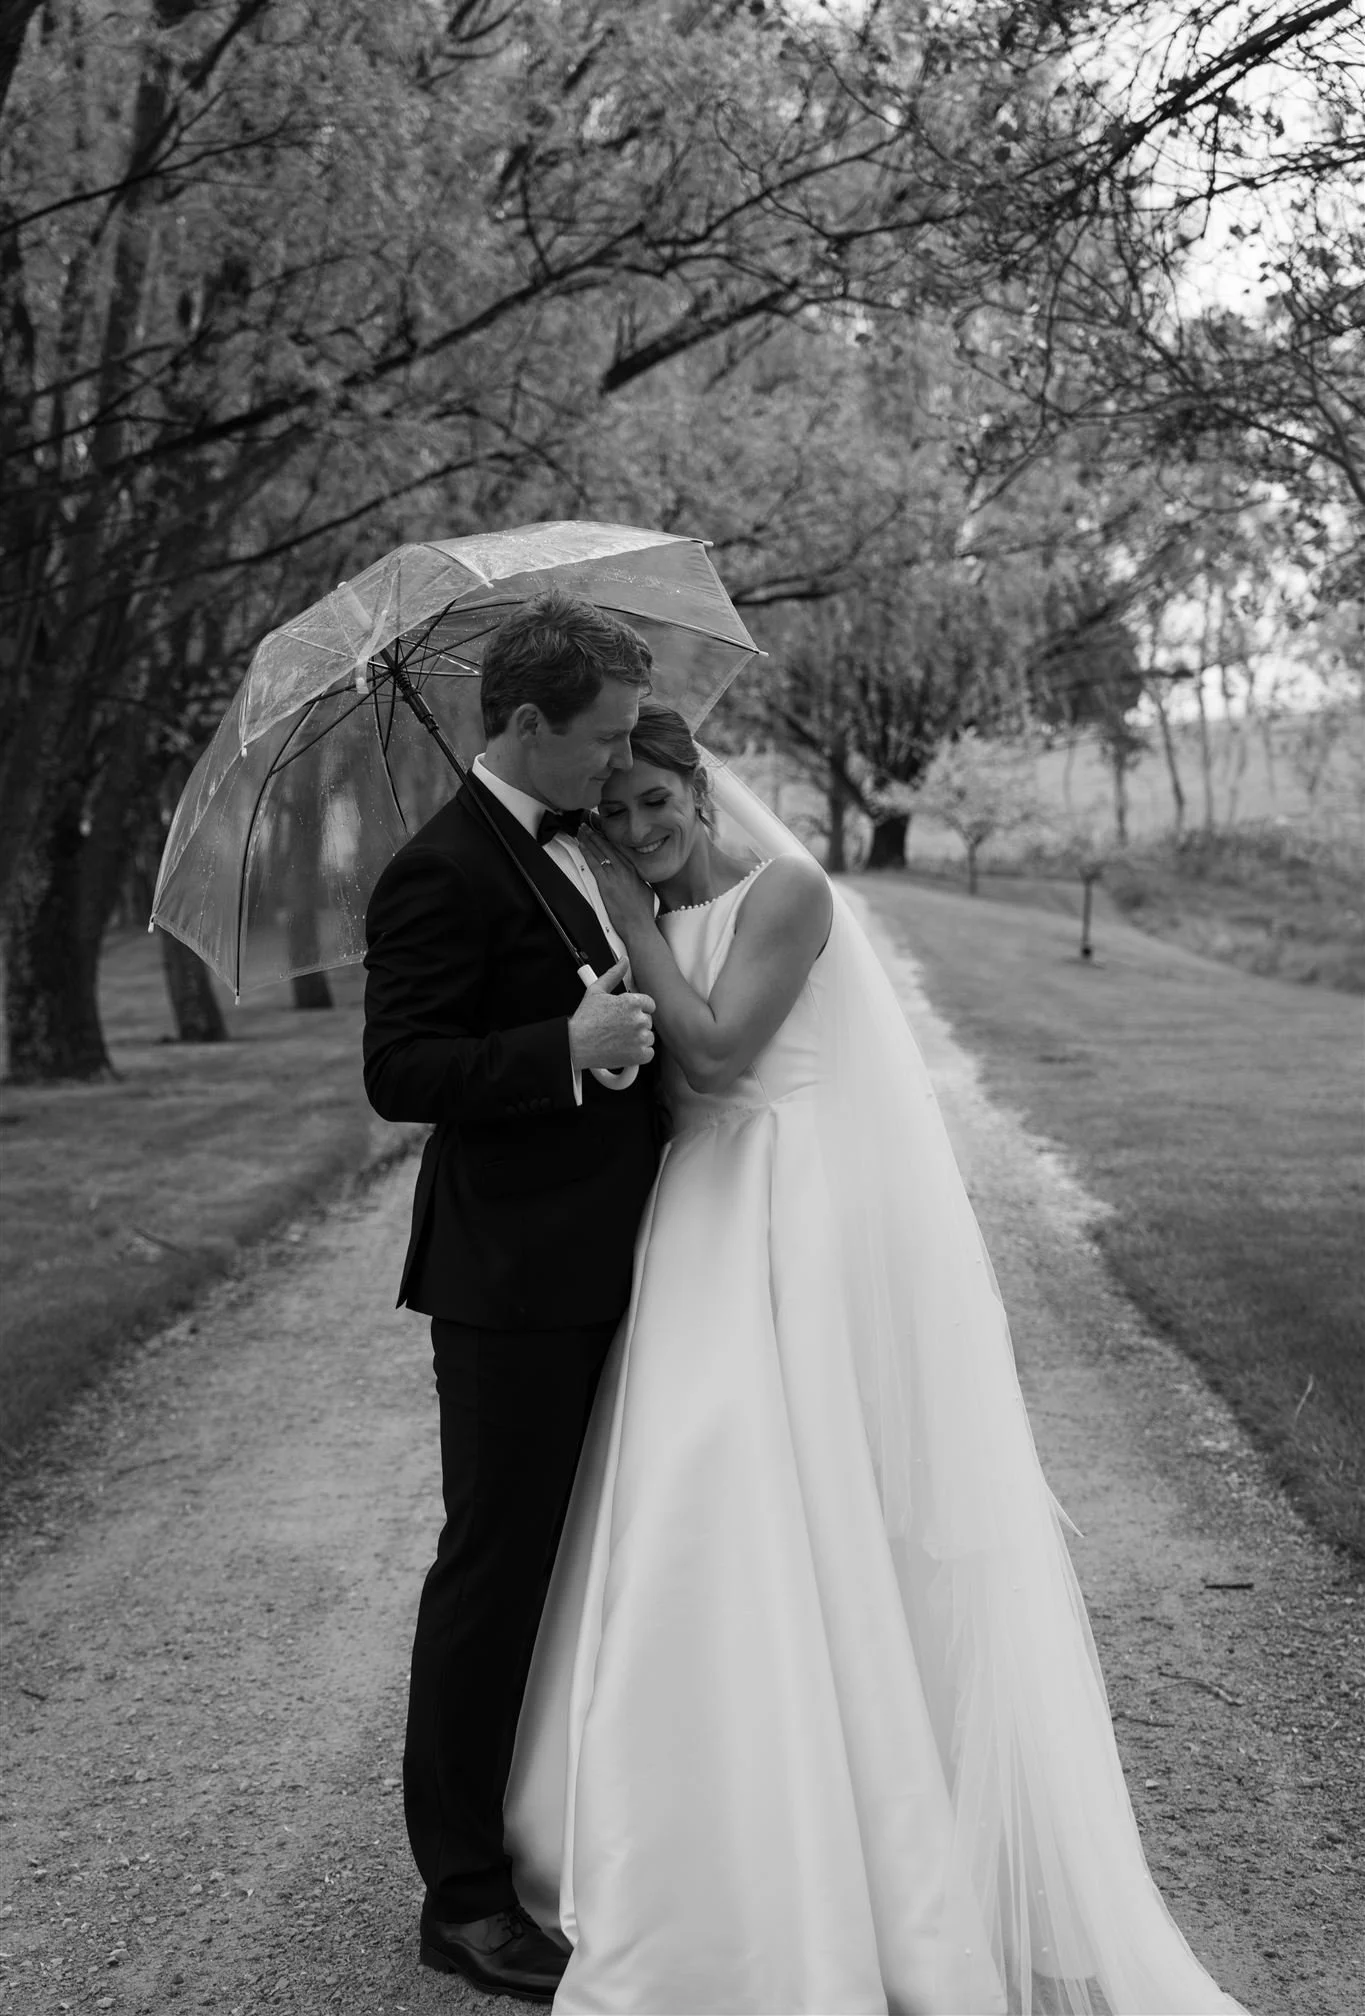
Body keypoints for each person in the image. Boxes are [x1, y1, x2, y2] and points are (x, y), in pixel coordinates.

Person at [503, 704, 1247, 2016]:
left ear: (699, 788)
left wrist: (624, 920)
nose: (637, 830)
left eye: (654, 802)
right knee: (702, 1511)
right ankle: (708, 1829)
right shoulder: (632, 915)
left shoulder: (788, 893)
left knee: (824, 1500)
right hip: (698, 1225)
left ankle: (885, 1854)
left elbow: (723, 1049)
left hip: (798, 1215)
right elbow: (653, 1072)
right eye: (611, 814)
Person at [362, 593, 661, 2003]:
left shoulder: (570, 842)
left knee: (598, 1564)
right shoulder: (437, 872)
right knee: (493, 1579)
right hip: (515, 1285)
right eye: (600, 737)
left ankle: (573, 1835)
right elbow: (403, 1072)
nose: (620, 759)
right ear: (528, 724)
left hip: (620, 1258)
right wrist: (564, 1044)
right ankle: (463, 1899)